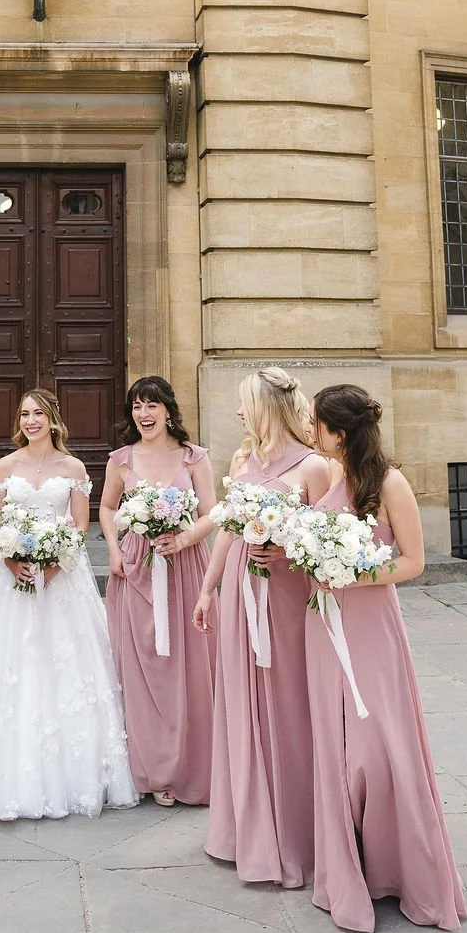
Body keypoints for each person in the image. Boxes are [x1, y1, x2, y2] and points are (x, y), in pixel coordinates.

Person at [0, 389, 137, 820]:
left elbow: (80, 525)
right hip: (12, 580)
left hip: (62, 583)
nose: (30, 421)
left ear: (53, 419)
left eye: (38, 413)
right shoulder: (6, 465)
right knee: (10, 663)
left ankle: (74, 773)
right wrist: (9, 557)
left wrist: (57, 563)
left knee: (64, 665)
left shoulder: (73, 467)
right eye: (24, 414)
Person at [306, 384, 467, 932]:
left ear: (340, 432)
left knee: (377, 751)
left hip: (371, 624)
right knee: (338, 744)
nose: (310, 430)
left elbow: (415, 562)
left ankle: (403, 870)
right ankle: (351, 869)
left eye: (317, 423)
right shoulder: (330, 475)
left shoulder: (391, 482)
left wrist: (355, 573)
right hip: (324, 624)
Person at [194, 366, 330, 888]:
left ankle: (295, 833)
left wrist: (287, 548)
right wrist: (208, 589)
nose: (238, 412)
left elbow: (324, 539)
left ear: (269, 407)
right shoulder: (242, 459)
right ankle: (245, 829)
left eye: (245, 402)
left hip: (288, 598)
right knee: (242, 705)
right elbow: (229, 529)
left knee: (289, 705)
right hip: (239, 590)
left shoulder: (315, 467)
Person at [101, 376, 217, 807]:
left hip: (185, 569)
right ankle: (150, 769)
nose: (143, 415)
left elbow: (213, 512)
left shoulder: (194, 458)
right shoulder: (122, 459)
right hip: (135, 569)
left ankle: (188, 768)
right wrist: (113, 548)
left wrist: (185, 538)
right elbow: (108, 507)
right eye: (136, 407)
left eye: (151, 406)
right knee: (142, 665)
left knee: (186, 667)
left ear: (169, 409)